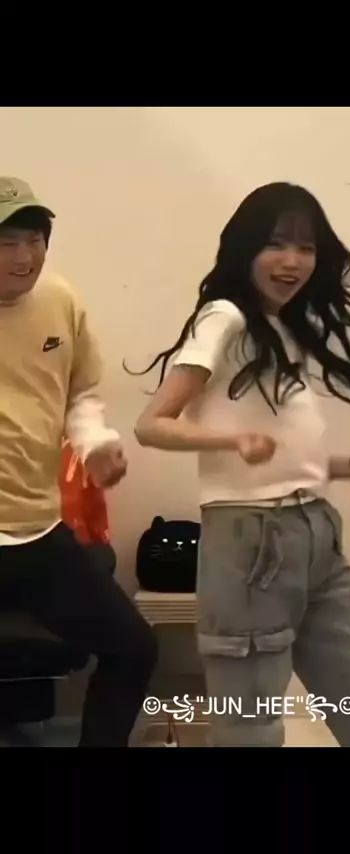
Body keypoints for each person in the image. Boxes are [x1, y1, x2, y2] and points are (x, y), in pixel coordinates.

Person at [132, 181, 350, 747]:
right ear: (245, 249)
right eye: (275, 243)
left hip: (315, 537)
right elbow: (152, 424)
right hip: (251, 546)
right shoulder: (223, 317)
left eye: (306, 247)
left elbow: (283, 458)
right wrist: (230, 441)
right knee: (249, 732)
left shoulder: (285, 329)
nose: (292, 261)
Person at [0, 176, 156, 747]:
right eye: (7, 243)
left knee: (134, 648)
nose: (25, 258)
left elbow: (79, 394)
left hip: (37, 531)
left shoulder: (60, 300)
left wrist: (95, 445)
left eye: (35, 240)